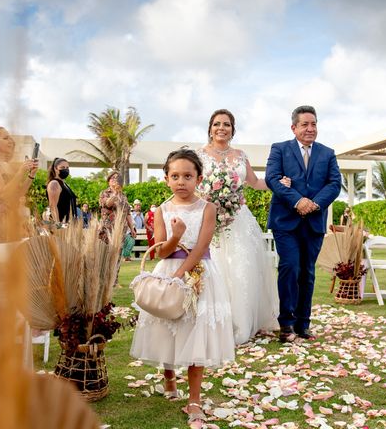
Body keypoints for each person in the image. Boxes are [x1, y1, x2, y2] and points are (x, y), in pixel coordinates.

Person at [130, 148, 234, 425]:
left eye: (187, 176)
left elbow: (201, 247)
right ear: (166, 179)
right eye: (175, 176)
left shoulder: (208, 208)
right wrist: (174, 237)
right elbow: (161, 251)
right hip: (168, 269)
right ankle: (169, 378)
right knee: (167, 325)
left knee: (195, 330)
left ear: (198, 178)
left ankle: (194, 399)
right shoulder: (163, 209)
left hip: (198, 274)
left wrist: (181, 275)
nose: (181, 182)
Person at [198, 109, 284, 344]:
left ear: (233, 130)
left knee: (242, 269)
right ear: (210, 128)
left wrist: (278, 182)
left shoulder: (240, 155)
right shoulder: (199, 155)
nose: (221, 128)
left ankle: (242, 322)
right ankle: (213, 322)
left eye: (227, 124)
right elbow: (193, 183)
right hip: (210, 220)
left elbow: (255, 182)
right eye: (217, 124)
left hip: (238, 220)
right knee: (214, 267)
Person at [265, 105, 342, 342]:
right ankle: (286, 324)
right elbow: (273, 179)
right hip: (285, 221)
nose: (310, 129)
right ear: (294, 127)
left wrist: (314, 204)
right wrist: (298, 200)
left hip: (314, 222)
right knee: (290, 267)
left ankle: (302, 324)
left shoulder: (327, 153)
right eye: (305, 124)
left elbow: (334, 184)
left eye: (314, 124)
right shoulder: (279, 149)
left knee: (307, 273)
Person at [0, 126, 38, 242]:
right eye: (5, 138)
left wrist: (31, 175)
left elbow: (18, 194)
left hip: (9, 220)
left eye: (10, 138)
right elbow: (3, 193)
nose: (10, 141)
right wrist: (20, 171)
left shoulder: (6, 165)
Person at [46, 158, 77, 225]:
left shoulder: (65, 185)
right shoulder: (54, 183)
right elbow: (53, 206)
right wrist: (58, 226)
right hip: (61, 227)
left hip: (69, 227)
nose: (65, 169)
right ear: (55, 169)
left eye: (67, 167)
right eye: (62, 167)